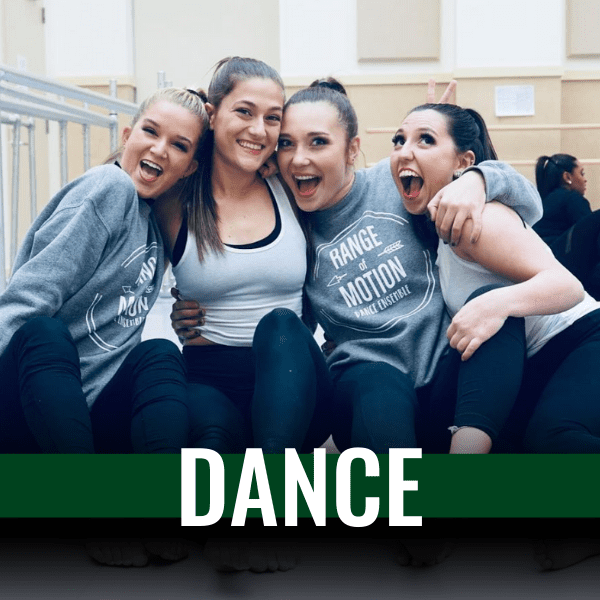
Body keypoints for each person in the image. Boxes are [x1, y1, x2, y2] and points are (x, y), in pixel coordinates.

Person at [273, 78, 542, 457]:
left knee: (494, 310)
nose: (299, 158)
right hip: (364, 387)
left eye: (318, 141)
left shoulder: (393, 179)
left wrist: (476, 180)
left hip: (441, 381)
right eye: (286, 143)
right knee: (379, 380)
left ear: (352, 149)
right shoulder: (290, 226)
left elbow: (528, 199)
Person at [0, 87, 208, 454]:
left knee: (159, 353)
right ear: (128, 136)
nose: (159, 149)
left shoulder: (157, 224)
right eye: (151, 131)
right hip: (31, 403)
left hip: (90, 414)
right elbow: (25, 301)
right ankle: (85, 494)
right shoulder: (108, 188)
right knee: (44, 332)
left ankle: (161, 494)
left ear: (190, 167)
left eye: (179, 145)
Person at [390, 103, 598, 453]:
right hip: (529, 362)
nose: (404, 151)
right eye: (399, 140)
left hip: (580, 341)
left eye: (425, 140)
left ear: (463, 162)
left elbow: (568, 287)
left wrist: (494, 303)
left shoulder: (480, 220)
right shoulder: (439, 228)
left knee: (553, 440)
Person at [162, 57, 333, 456]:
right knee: (207, 427)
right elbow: (123, 178)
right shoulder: (175, 201)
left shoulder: (291, 187)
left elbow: (359, 184)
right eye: (244, 111)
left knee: (280, 325)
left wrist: (473, 182)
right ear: (212, 114)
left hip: (295, 381)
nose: (259, 130)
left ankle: (273, 477)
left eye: (273, 119)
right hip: (209, 380)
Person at [532, 153, 600, 300]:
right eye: (581, 173)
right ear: (567, 177)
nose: (585, 179)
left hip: (541, 264)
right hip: (558, 262)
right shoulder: (572, 199)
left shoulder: (542, 202)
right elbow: (590, 237)